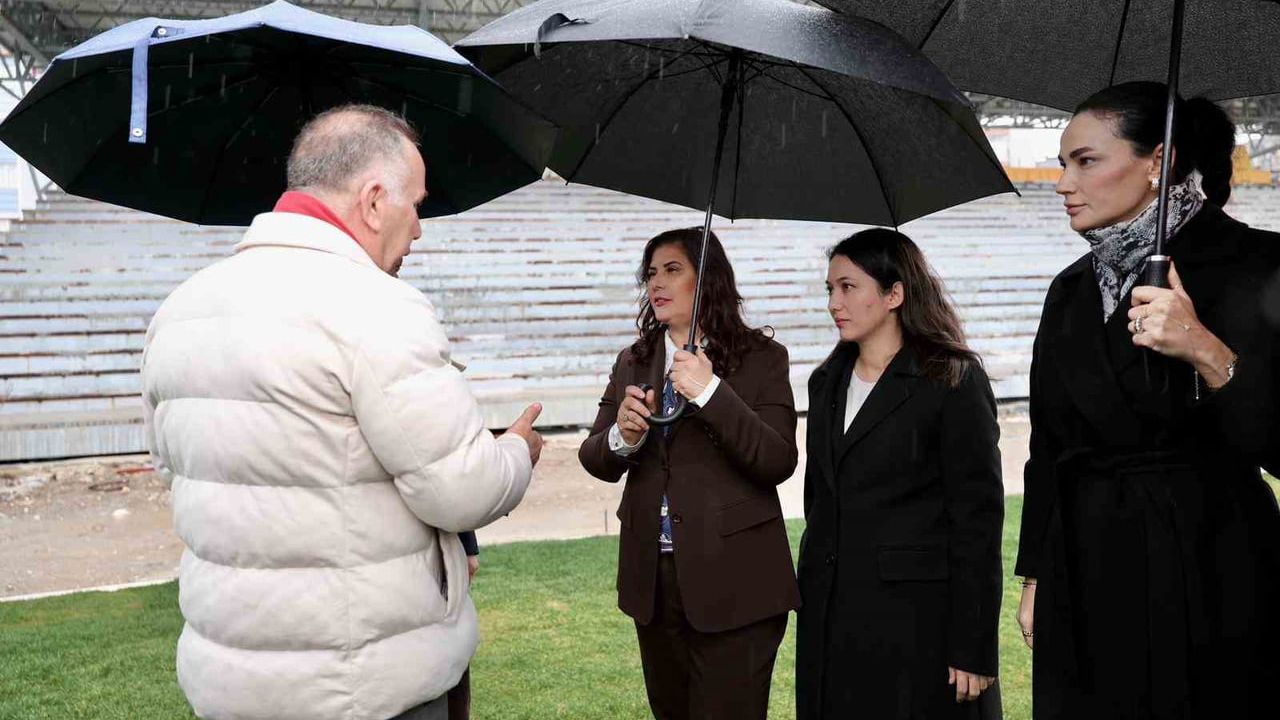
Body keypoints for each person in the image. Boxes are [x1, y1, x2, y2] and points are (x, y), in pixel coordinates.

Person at [141, 104, 542, 720]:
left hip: (229, 682)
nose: (419, 230)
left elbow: (179, 471)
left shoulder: (178, 311)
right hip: (364, 686)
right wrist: (516, 451)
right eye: (418, 206)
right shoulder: (377, 308)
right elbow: (461, 491)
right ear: (376, 200)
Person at [1016, 81, 1280, 719]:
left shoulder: (1258, 263)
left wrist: (1204, 349)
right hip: (1087, 565)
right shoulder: (1070, 289)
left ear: (1157, 162)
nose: (1063, 184)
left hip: (1213, 567)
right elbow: (1049, 443)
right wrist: (1035, 575)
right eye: (1062, 164)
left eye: (1086, 161)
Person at [577, 227, 800, 720]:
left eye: (672, 270)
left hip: (738, 586)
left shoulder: (763, 358)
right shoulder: (632, 361)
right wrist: (624, 437)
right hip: (653, 587)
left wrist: (711, 392)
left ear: (708, 279)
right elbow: (594, 456)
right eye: (651, 273)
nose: (656, 282)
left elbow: (777, 460)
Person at [795, 228, 1004, 719]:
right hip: (831, 620)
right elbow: (818, 504)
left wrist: (973, 644)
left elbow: (977, 523)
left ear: (894, 294)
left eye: (848, 287)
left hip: (917, 626)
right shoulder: (825, 382)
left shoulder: (952, 379)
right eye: (830, 289)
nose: (834, 303)